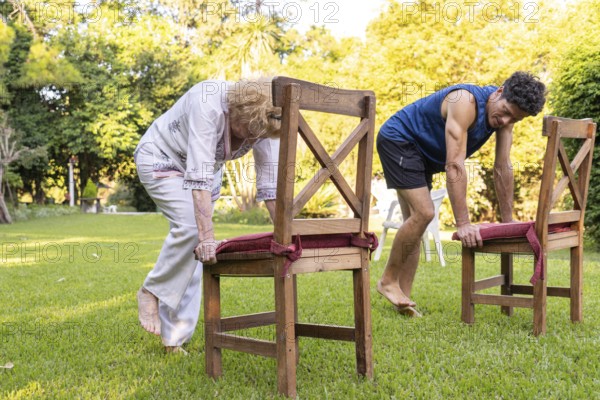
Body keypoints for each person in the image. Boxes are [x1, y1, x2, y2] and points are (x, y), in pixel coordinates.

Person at [376, 71, 546, 317]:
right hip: (400, 140)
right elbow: (454, 164)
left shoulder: (505, 120)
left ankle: (403, 299)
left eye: (515, 119)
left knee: (415, 221)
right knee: (424, 212)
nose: (506, 121)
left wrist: (508, 220)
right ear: (499, 91)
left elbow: (503, 167)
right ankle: (388, 281)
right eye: (506, 111)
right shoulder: (464, 102)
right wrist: (463, 223)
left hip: (420, 154)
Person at [133, 78, 281, 352]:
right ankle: (150, 291)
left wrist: (286, 234)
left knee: (197, 251)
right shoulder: (208, 103)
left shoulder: (265, 123)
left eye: (258, 135)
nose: (251, 139)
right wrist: (207, 235)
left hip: (206, 173)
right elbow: (198, 174)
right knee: (194, 232)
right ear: (238, 110)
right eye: (249, 130)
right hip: (162, 157)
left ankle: (173, 340)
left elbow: (270, 187)